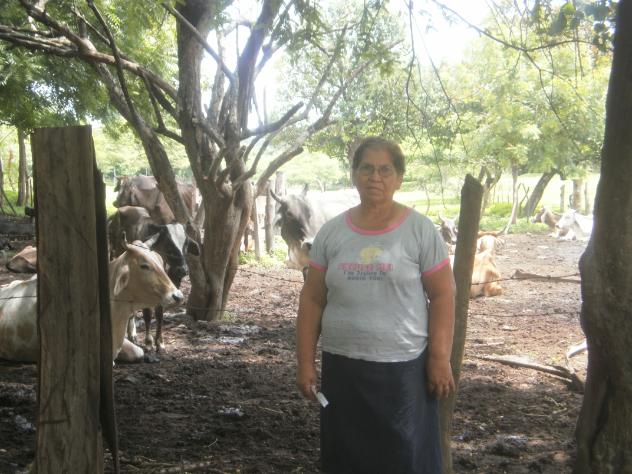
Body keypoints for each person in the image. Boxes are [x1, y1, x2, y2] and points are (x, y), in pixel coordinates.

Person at [296, 136, 456, 474]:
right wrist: (305, 363)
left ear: (399, 178)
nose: (375, 177)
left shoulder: (419, 230)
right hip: (343, 368)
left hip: (403, 369)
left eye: (385, 170)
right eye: (367, 168)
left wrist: (439, 358)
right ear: (354, 174)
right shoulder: (331, 233)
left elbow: (443, 295)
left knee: (403, 456)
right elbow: (312, 299)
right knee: (347, 456)